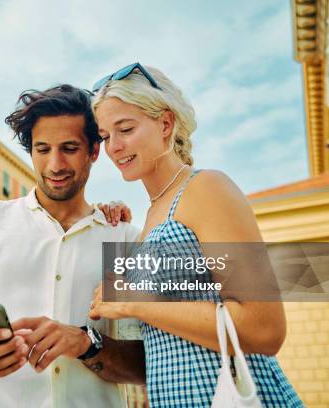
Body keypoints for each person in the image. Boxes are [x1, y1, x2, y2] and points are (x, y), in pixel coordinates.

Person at [89, 63, 303, 407]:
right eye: (104, 135)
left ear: (165, 123)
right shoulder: (151, 216)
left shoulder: (206, 188)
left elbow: (266, 329)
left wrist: (134, 300)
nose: (113, 146)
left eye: (125, 128)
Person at [0, 84, 144, 408]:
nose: (55, 165)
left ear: (94, 151)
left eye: (69, 148)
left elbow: (144, 364)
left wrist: (86, 342)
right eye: (43, 149)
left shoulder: (123, 238)